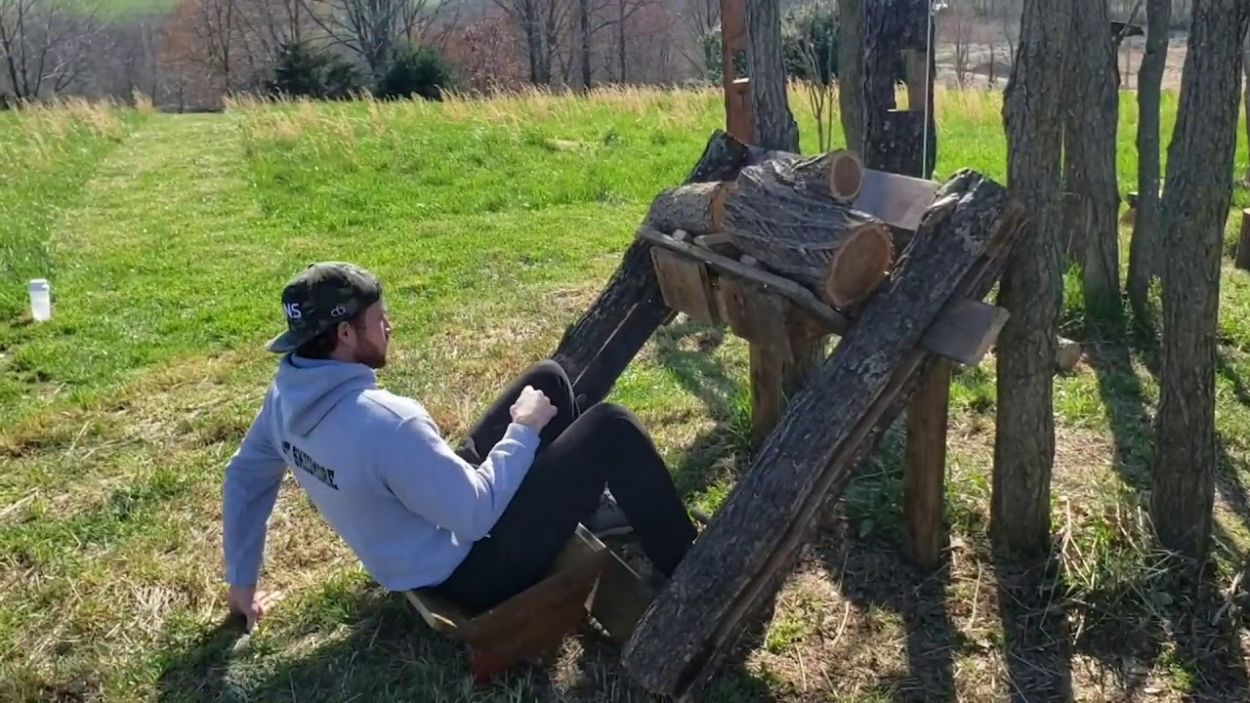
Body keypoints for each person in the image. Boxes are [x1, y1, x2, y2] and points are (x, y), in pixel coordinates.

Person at [222, 262, 698, 629]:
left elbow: (245, 477)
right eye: (379, 320)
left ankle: (586, 508)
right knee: (612, 428)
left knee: (548, 379)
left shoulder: (287, 398)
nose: (389, 328)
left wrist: (241, 584)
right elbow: (475, 514)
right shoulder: (387, 423)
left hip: (412, 539)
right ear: (345, 334)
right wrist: (523, 430)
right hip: (470, 571)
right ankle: (694, 570)